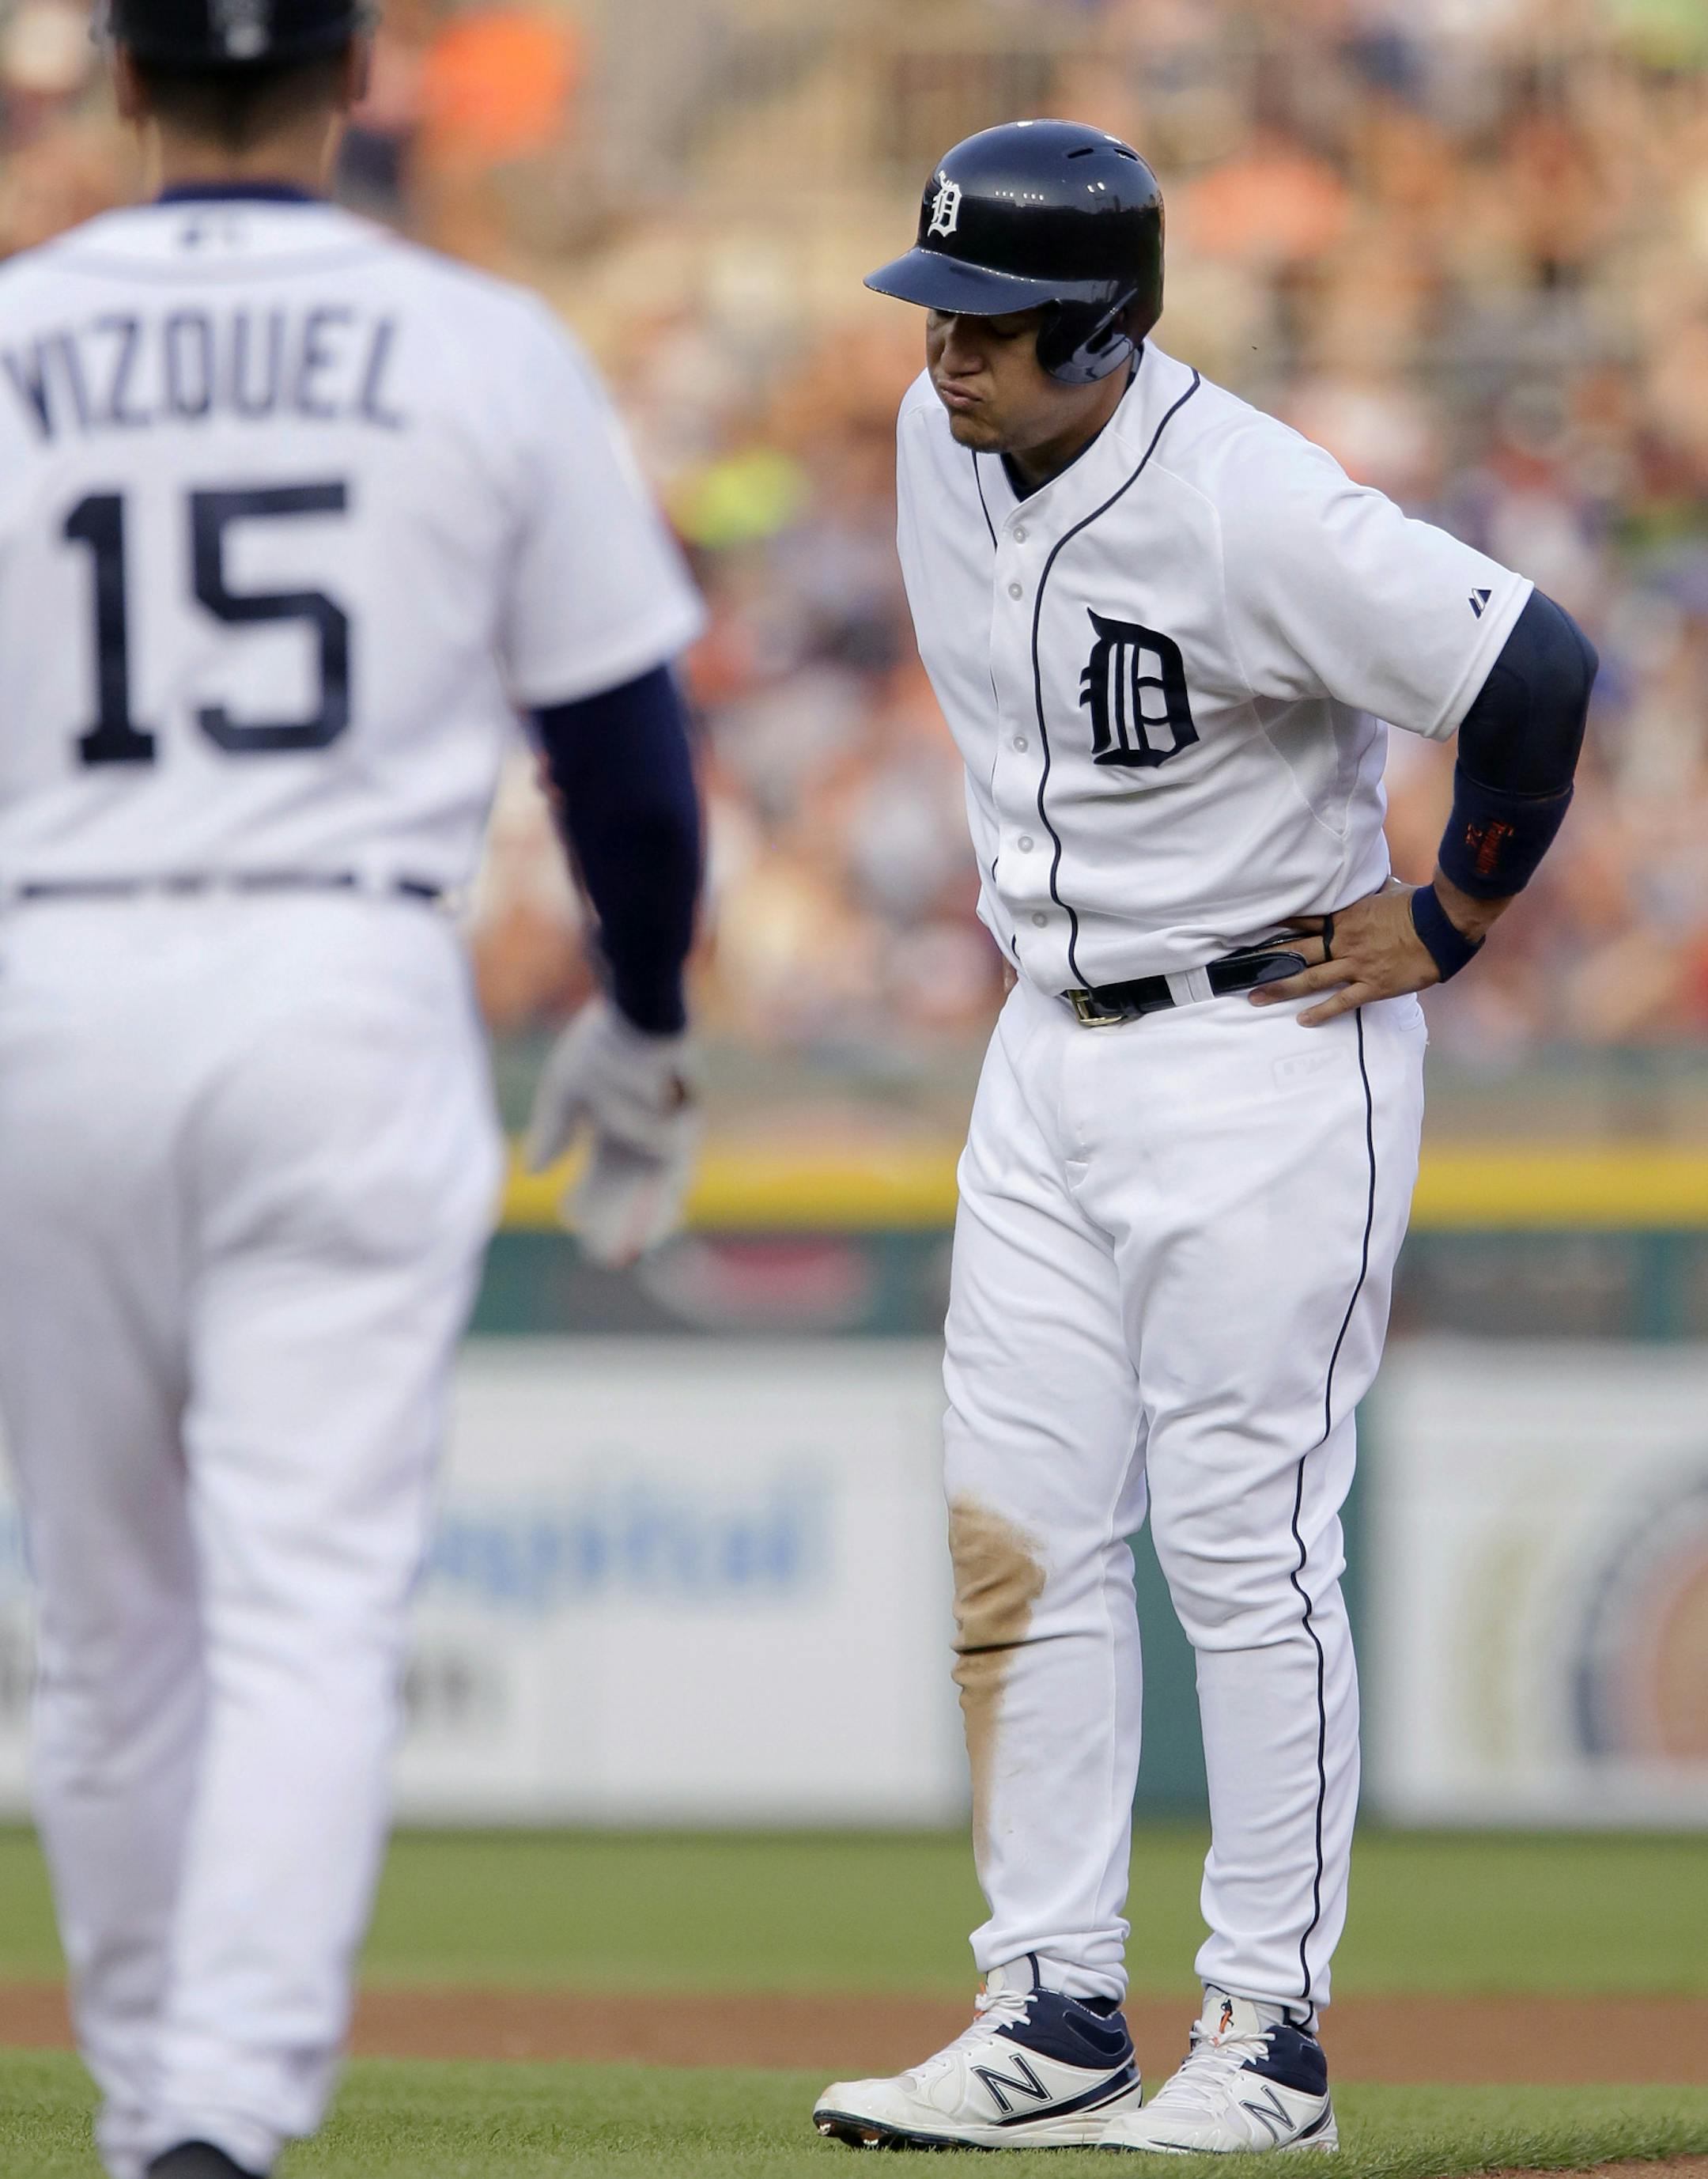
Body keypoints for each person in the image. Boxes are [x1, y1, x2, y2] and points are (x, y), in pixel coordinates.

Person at [814, 119, 1596, 2155]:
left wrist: (1454, 915)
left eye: (988, 321)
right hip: (1046, 1042)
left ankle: (1269, 2035)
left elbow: (1534, 665)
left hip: (1263, 1041)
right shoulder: (937, 446)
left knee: (1248, 1549)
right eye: (938, 309)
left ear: (1102, 322)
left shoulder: (1254, 503)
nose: (946, 354)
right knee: (1019, 1527)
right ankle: (1054, 2003)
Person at [0, 0, 705, 2171]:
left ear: (119, 80)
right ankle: (212, 2118)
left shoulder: (11, 333)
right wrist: (647, 1014)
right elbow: (625, 755)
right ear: (358, 77)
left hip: (47, 982)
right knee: (308, 1601)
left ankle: (148, 2106)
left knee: (107, 1626)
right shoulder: (477, 346)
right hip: (340, 970)